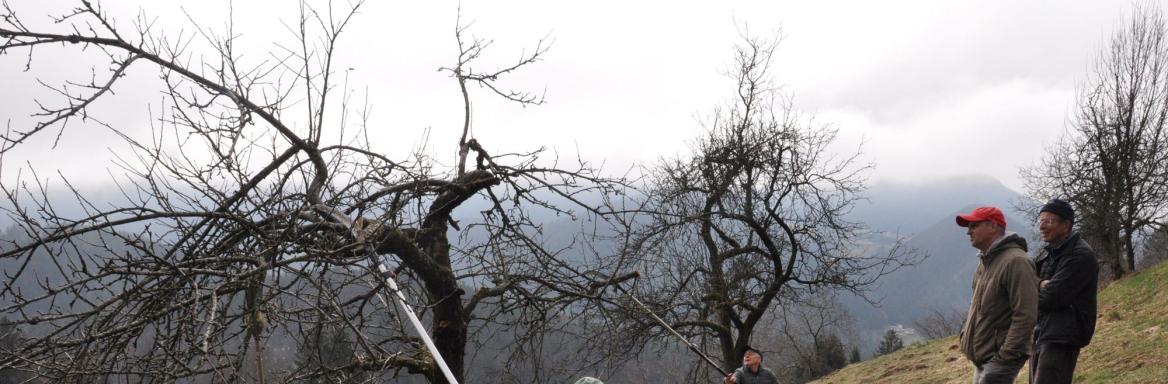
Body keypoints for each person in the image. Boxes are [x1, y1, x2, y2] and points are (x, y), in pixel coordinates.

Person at [955, 206, 1039, 384]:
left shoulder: (1016, 261)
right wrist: (965, 334)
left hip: (999, 359)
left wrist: (1006, 356)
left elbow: (1026, 314)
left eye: (974, 226)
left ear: (993, 226)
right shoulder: (986, 261)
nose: (968, 232)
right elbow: (977, 305)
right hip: (984, 356)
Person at [1030, 198, 1098, 384]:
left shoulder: (1080, 254)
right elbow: (1025, 280)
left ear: (1066, 225)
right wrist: (1040, 283)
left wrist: (1033, 289)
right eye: (1041, 220)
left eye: (1049, 221)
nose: (1042, 226)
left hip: (1063, 334)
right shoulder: (1048, 252)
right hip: (1043, 330)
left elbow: (1051, 297)